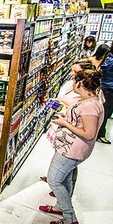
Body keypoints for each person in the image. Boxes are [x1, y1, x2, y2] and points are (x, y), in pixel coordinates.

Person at [41, 69, 104, 224]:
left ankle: (70, 217)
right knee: (65, 179)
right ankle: (59, 207)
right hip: (68, 146)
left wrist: (65, 124)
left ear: (80, 84)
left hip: (72, 150)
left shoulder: (91, 106)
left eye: (75, 79)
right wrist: (65, 116)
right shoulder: (87, 100)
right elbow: (79, 121)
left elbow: (89, 134)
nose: (72, 82)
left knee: (54, 180)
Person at [40, 59, 97, 196]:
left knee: (64, 170)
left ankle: (65, 201)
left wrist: (65, 118)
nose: (72, 74)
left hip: (73, 140)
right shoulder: (70, 85)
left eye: (76, 72)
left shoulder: (89, 97)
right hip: (63, 133)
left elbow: (87, 128)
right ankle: (61, 182)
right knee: (63, 166)